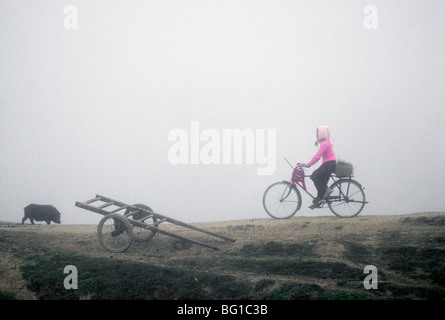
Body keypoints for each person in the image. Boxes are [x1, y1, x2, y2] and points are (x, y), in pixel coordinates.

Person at [301, 126, 337, 209]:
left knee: (314, 176)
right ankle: (320, 199)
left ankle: (327, 190)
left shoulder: (324, 143)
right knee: (320, 181)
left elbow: (317, 156)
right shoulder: (325, 142)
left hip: (328, 164)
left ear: (322, 133)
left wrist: (308, 164)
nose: (316, 134)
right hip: (329, 164)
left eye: (317, 133)